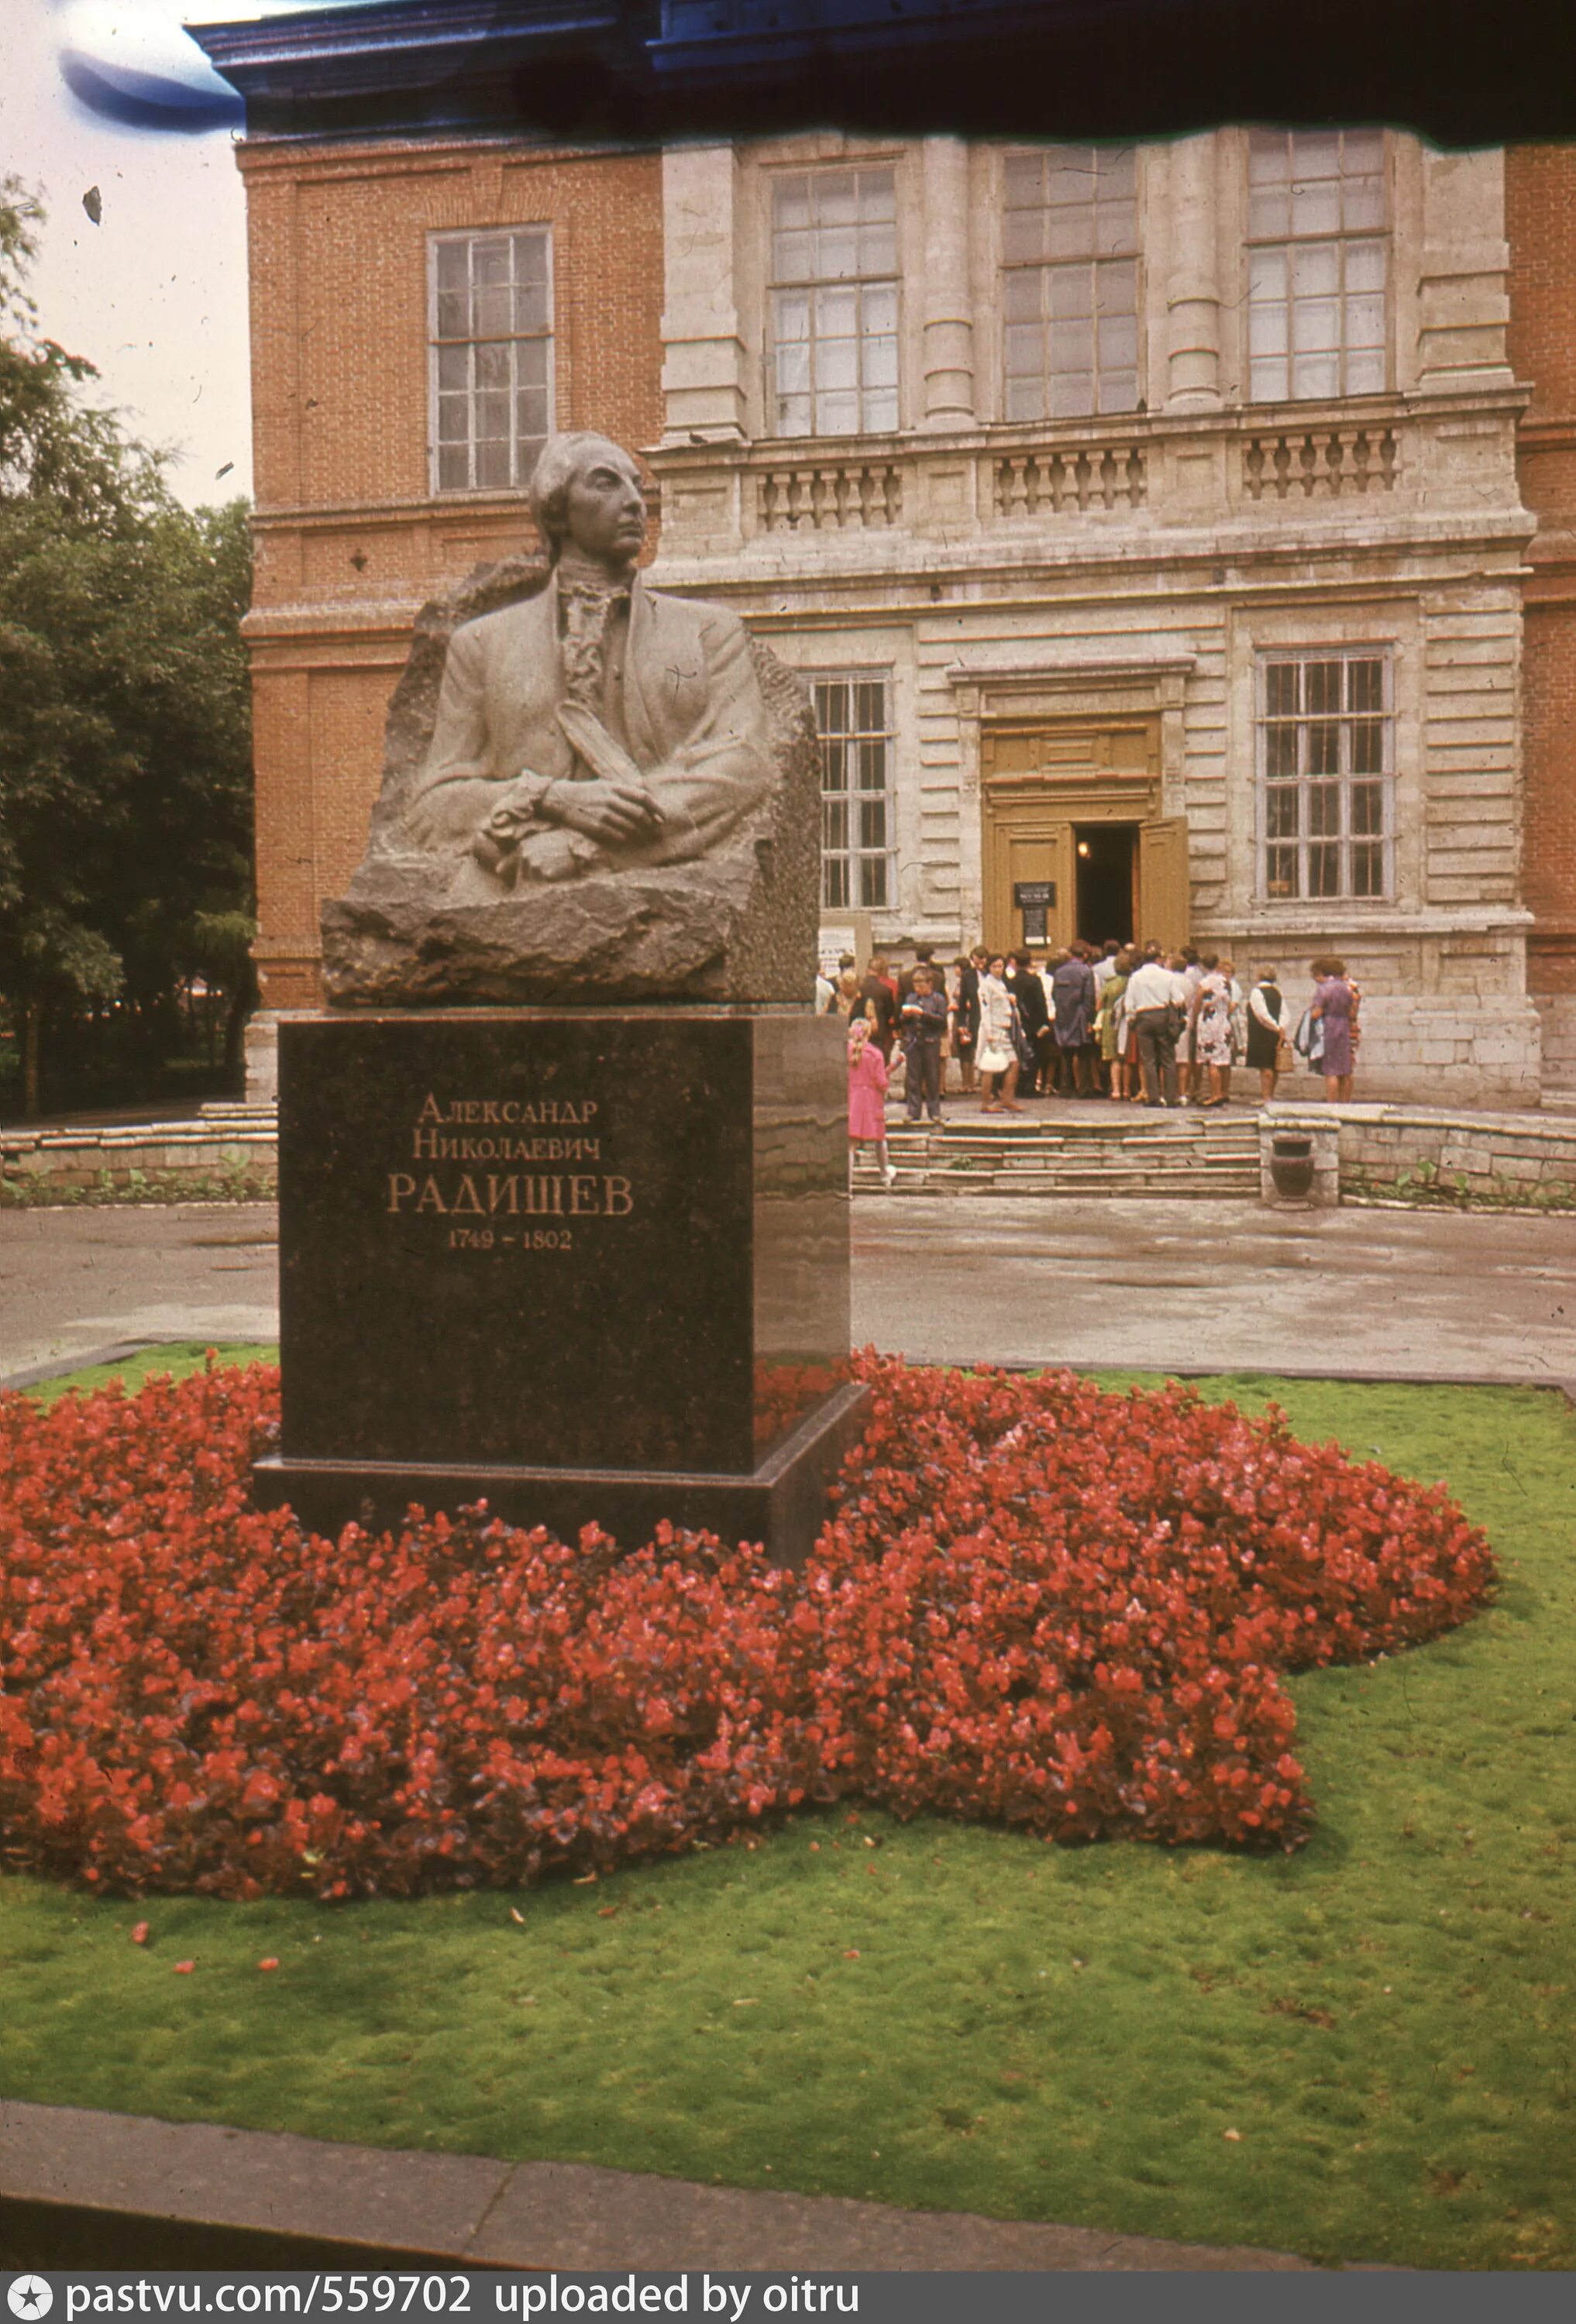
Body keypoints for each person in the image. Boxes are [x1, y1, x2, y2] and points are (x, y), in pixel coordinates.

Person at [402, 432, 773, 884]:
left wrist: (587, 846)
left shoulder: (709, 631)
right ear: (558, 510)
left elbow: (743, 768)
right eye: (606, 484)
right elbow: (431, 807)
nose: (636, 501)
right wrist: (547, 798)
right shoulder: (481, 644)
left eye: (637, 485)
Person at [1125, 944, 1186, 1107]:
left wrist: (1131, 1018)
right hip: (1163, 1015)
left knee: (1148, 1059)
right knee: (1168, 1058)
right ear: (1158, 959)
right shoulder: (1168, 976)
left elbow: (1129, 1003)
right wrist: (1179, 1019)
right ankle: (1171, 1096)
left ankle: (1153, 1096)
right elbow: (1179, 1001)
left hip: (1143, 1017)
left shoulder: (1135, 977)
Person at [847, 1013, 896, 1187]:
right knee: (879, 1138)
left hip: (850, 1098)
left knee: (850, 1144)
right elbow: (881, 1082)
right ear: (869, 1033)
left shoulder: (844, 1051)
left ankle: (847, 1185)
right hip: (871, 1100)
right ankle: (884, 1174)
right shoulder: (875, 1054)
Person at [976, 954, 1024, 1113]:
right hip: (993, 1028)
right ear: (989, 967)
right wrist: (989, 1032)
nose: (998, 969)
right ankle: (985, 1103)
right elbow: (986, 1009)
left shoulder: (1001, 983)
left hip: (1005, 1028)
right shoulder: (985, 985)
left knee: (1014, 1063)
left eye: (1000, 966)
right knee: (989, 1067)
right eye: (995, 966)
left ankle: (1007, 1099)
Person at [900, 964, 948, 1123]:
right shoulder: (911, 998)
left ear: (930, 984)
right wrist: (906, 1016)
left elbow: (942, 1021)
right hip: (914, 1040)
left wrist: (924, 1015)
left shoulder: (938, 999)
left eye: (921, 985)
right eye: (915, 985)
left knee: (932, 1077)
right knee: (913, 1077)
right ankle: (913, 1111)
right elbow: (903, 1020)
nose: (918, 989)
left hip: (931, 1041)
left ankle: (934, 1111)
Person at [1050, 942, 1098, 1096]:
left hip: (1063, 1014)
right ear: (1084, 956)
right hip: (1080, 1014)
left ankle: (1065, 1087)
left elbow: (1054, 994)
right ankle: (1083, 1088)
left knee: (1065, 1053)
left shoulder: (1059, 972)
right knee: (1082, 1053)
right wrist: (1090, 1018)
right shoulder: (1086, 971)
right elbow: (1089, 996)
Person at [1310, 956, 1361, 1101]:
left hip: (1329, 1026)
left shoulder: (1324, 989)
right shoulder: (1346, 988)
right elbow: (1352, 1012)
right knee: (1345, 1068)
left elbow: (1316, 1013)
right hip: (1344, 1026)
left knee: (1331, 1069)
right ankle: (1345, 1103)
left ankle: (1332, 1104)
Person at [1191, 956, 1235, 1107]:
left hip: (1209, 1021)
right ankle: (1223, 1091)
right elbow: (1229, 1003)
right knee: (1223, 1058)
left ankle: (1215, 1094)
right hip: (1223, 1021)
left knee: (1212, 1060)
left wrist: (1195, 1016)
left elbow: (1197, 1001)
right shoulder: (1226, 982)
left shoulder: (1204, 983)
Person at [1009, 950, 1050, 1097]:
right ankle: (1029, 1086)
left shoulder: (1011, 981)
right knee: (1034, 1054)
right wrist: (1044, 1022)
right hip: (1034, 1022)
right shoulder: (1034, 980)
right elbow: (1041, 1002)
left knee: (1019, 1053)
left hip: (1018, 1022)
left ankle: (1019, 1085)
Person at [1096, 946, 1134, 1101]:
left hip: (1111, 1019)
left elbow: (1099, 1004)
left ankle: (1116, 1090)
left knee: (1114, 1058)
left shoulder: (1109, 984)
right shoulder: (1132, 982)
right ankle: (1127, 1090)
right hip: (1129, 1019)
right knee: (1126, 1056)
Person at [1246, 966, 1285, 1101]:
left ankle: (1266, 1097)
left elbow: (1261, 1014)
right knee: (1274, 1065)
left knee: (1265, 1066)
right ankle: (1270, 1095)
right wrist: (1281, 1027)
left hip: (1261, 1032)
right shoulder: (1277, 993)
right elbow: (1284, 1013)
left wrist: (1274, 1027)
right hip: (1275, 1032)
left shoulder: (1256, 992)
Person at [859, 957, 899, 1062]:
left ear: (867, 970)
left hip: (859, 1030)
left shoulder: (859, 988)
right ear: (881, 971)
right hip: (879, 1031)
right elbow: (890, 1012)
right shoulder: (885, 990)